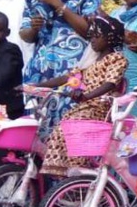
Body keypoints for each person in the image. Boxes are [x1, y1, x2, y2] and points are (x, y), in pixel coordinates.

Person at [19, 0, 101, 130]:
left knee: (68, 126)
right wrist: (33, 29)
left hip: (73, 72)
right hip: (41, 72)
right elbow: (25, 35)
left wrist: (58, 4)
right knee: (37, 127)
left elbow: (90, 31)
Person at [39, 15, 128, 177]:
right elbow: (67, 78)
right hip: (84, 106)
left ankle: (77, 173)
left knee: (72, 129)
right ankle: (67, 177)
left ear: (110, 38)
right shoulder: (91, 60)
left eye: (97, 36)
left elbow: (110, 83)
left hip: (100, 108)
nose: (92, 40)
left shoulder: (117, 59)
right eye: (91, 36)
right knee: (62, 129)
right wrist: (38, 86)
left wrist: (87, 96)